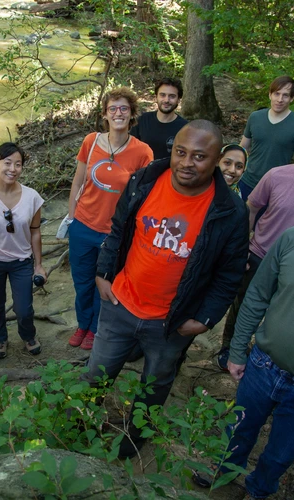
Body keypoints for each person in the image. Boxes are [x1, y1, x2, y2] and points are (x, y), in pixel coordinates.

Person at [83, 120, 249, 458]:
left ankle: (133, 441)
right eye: (181, 152)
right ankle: (78, 425)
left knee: (155, 386)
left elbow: (229, 274)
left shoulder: (230, 212)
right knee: (95, 376)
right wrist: (103, 271)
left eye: (199, 156)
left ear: (216, 159)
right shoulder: (145, 180)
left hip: (172, 322)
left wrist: (205, 318)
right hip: (120, 305)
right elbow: (118, 227)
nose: (187, 163)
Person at [223, 225, 294, 499]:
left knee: (280, 455)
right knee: (239, 427)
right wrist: (237, 351)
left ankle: (258, 491)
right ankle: (223, 471)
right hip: (263, 365)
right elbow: (258, 294)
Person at [67, 87, 153, 350]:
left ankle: (95, 329)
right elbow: (78, 181)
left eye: (124, 108)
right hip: (82, 225)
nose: (118, 113)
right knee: (82, 282)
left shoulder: (142, 152)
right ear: (105, 114)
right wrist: (72, 218)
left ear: (132, 114)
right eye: (113, 108)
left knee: (102, 283)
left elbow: (143, 197)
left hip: (113, 233)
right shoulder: (90, 141)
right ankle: (83, 324)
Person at [217, 125, 294, 370]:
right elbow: (251, 208)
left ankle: (270, 357)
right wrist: (243, 246)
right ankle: (230, 348)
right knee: (244, 304)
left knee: (286, 312)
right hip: (259, 254)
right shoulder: (276, 175)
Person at [0, 143, 46, 360]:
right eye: (7, 163)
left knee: (24, 308)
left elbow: (35, 232)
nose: (12, 169)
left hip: (22, 261)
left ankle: (28, 335)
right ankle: (0, 338)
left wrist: (38, 264)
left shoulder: (32, 197)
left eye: (18, 164)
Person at [238, 75, 294, 201]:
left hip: (277, 186)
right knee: (240, 219)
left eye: (285, 95)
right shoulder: (255, 117)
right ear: (270, 95)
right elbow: (242, 148)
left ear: (292, 98)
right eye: (276, 94)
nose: (280, 99)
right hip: (247, 182)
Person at [129, 77, 188, 159]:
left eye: (172, 96)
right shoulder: (142, 120)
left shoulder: (185, 128)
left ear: (178, 100)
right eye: (162, 95)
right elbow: (131, 150)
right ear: (156, 97)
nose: (166, 100)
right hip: (143, 170)